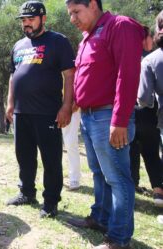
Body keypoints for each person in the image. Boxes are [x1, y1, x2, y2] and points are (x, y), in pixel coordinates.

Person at [65, 1, 144, 248]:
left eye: (76, 12)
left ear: (92, 4)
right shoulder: (88, 37)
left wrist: (119, 120)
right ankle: (100, 218)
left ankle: (118, 239)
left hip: (109, 116)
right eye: (70, 14)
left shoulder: (119, 26)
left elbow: (128, 73)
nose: (72, 19)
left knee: (118, 178)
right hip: (89, 116)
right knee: (99, 173)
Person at [6, 1, 75, 219]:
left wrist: (66, 105)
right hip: (21, 111)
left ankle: (51, 202)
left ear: (43, 19)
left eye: (31, 19)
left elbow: (69, 75)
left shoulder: (58, 41)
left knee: (50, 159)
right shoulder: (18, 46)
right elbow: (12, 76)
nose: (26, 24)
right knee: (24, 156)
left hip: (47, 111)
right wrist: (10, 103)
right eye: (23, 20)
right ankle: (27, 193)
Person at [130, 26, 163, 207]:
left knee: (133, 149)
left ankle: (132, 184)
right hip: (148, 109)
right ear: (145, 38)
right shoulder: (149, 57)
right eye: (151, 37)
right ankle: (158, 190)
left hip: (132, 110)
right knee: (151, 151)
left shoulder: (127, 54)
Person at [62, 109, 82, 191]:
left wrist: (75, 103)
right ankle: (54, 177)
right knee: (51, 145)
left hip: (71, 107)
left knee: (71, 143)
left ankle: (74, 179)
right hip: (51, 105)